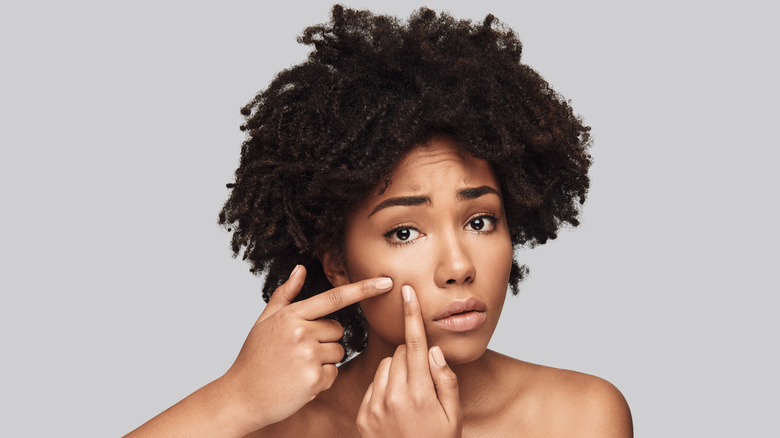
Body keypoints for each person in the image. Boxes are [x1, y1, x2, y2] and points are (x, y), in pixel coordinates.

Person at [125, 5, 632, 437]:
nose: (457, 266)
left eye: (480, 221)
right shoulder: (282, 426)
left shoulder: (579, 417)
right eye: (405, 231)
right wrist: (233, 398)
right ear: (340, 266)